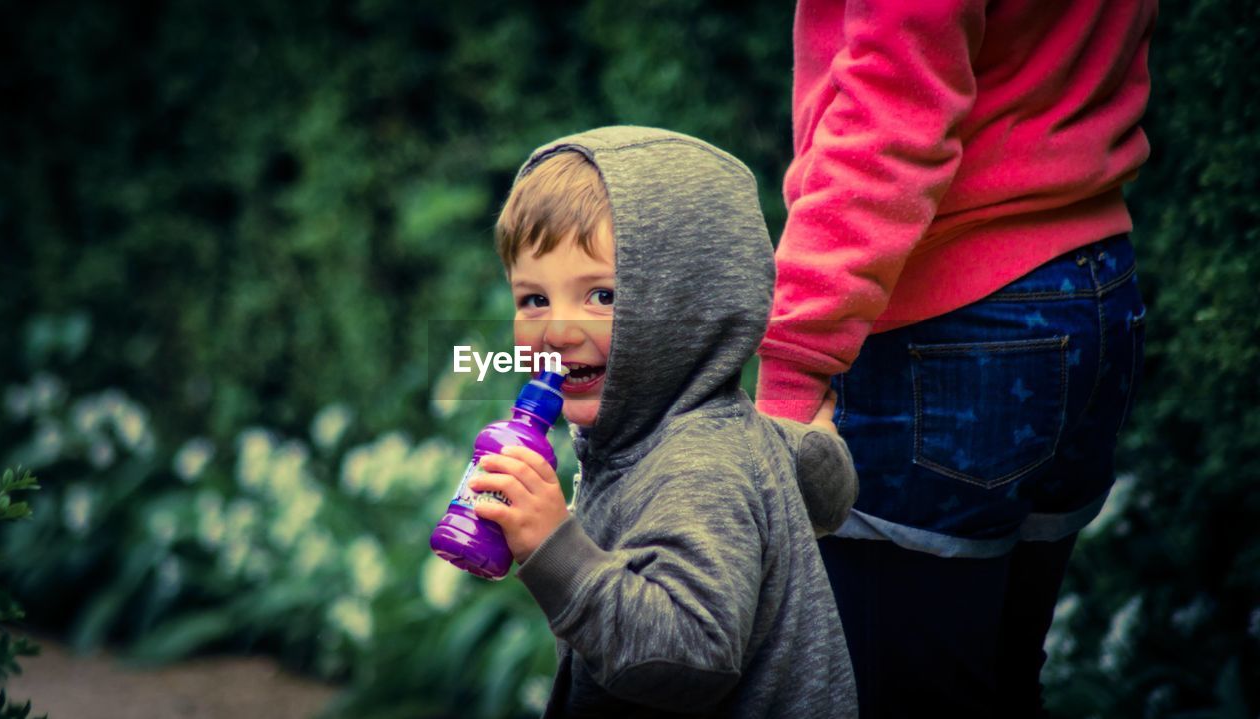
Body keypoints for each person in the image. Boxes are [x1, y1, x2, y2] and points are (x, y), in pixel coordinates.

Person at [754, 1, 1156, 717]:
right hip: (1094, 294)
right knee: (998, 682)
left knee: (900, 695)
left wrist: (790, 370)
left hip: (947, 324)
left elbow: (892, 112)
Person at [466, 126, 859, 717]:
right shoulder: (689, 436)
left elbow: (691, 655)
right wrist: (813, 453)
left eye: (602, 296)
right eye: (534, 300)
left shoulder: (699, 468)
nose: (558, 330)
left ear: (692, 306)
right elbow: (818, 490)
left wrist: (555, 549)